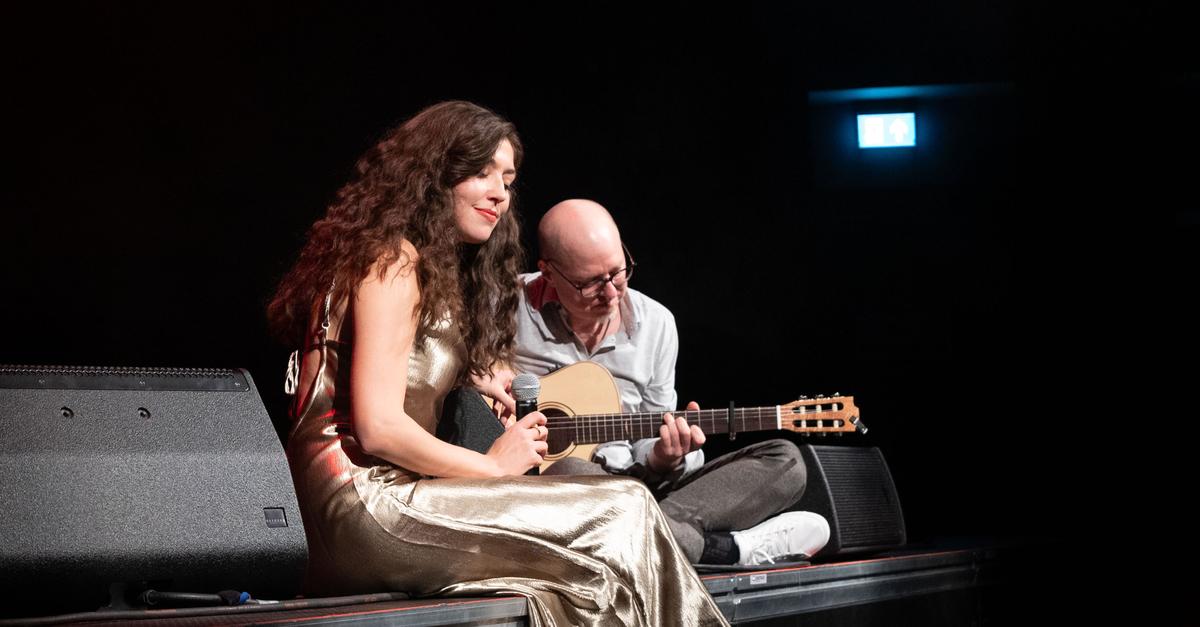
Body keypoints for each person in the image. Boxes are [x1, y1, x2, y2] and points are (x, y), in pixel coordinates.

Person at [267, 102, 727, 626]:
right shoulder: (391, 260)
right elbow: (378, 428)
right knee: (624, 508)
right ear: (433, 174)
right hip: (361, 504)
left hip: (379, 498)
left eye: (507, 181)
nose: (499, 194)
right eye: (482, 173)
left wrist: (472, 372)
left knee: (598, 553)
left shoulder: (406, 261)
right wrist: (492, 466)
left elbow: (395, 362)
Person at [513, 199, 830, 567]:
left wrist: (664, 456)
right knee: (568, 473)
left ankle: (646, 534)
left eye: (618, 273)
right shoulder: (506, 306)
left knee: (786, 461)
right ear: (548, 273)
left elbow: (649, 439)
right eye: (591, 284)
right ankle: (724, 549)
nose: (612, 293)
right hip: (567, 489)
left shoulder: (656, 324)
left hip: (639, 486)